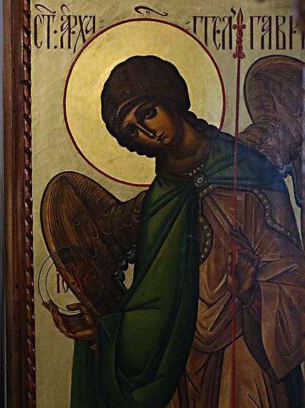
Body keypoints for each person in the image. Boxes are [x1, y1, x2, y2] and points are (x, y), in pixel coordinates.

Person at [49, 56, 305, 407]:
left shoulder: (248, 169)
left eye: (148, 113)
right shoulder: (160, 202)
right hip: (178, 371)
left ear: (169, 97)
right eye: (132, 131)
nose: (147, 132)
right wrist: (103, 336)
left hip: (246, 357)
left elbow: (293, 276)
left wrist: (252, 293)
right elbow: (152, 305)